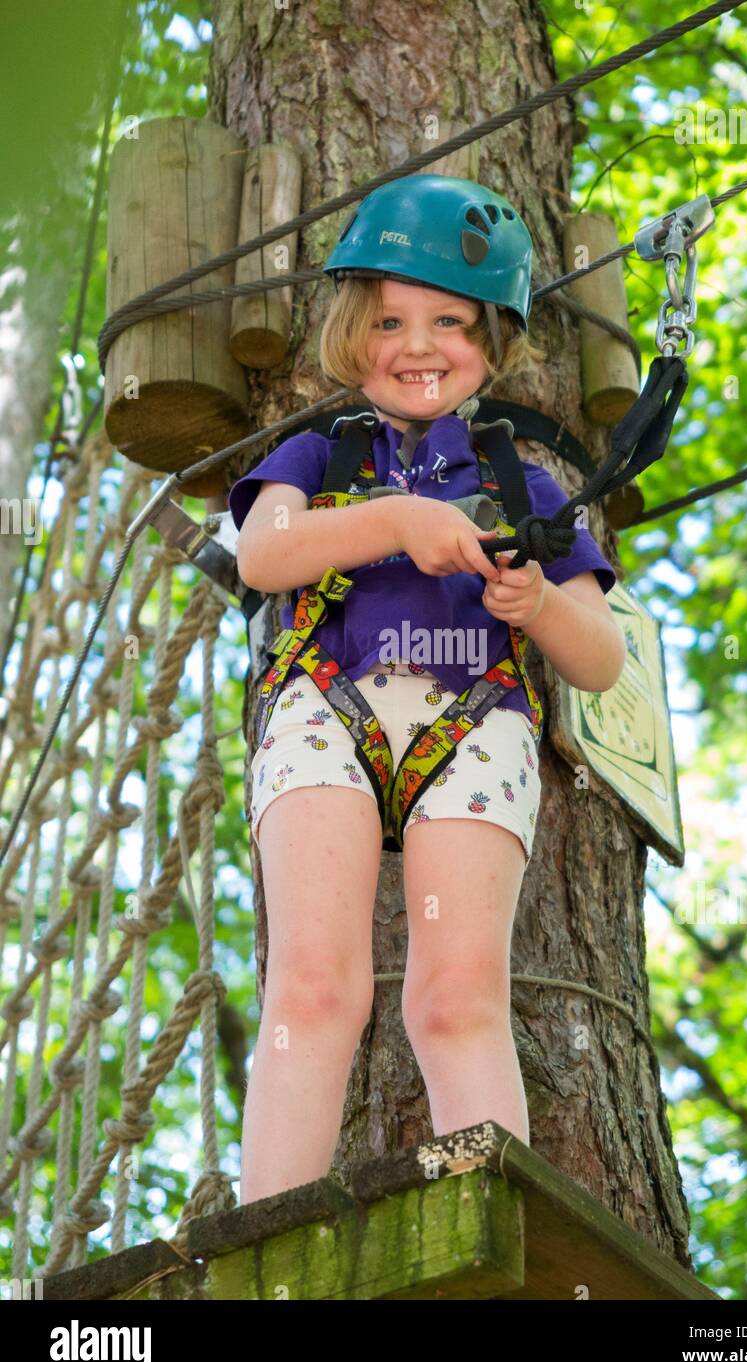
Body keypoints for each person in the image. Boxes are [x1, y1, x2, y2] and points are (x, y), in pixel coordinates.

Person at [228, 175, 625, 1204]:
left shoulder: (519, 477)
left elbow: (601, 657)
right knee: (315, 986)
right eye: (392, 318)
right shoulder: (322, 451)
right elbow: (265, 555)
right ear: (355, 333)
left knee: (455, 998)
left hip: (472, 723)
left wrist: (535, 599)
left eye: (450, 321)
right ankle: (266, 1228)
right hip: (329, 704)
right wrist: (396, 521)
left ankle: (485, 1218)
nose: (419, 343)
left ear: (492, 344)